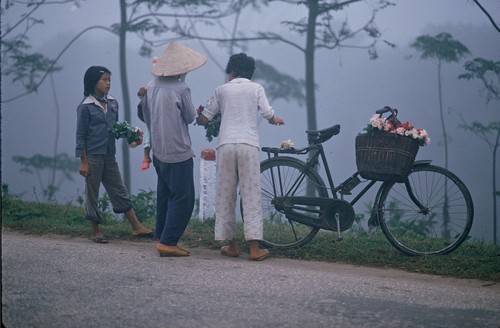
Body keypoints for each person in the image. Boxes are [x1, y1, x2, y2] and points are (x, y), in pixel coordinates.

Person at [197, 53, 285, 261]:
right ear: (251, 72)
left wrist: (198, 113)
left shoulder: (221, 90)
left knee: (225, 193)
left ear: (230, 72)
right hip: (248, 144)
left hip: (226, 144)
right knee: (251, 193)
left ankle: (232, 245)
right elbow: (268, 113)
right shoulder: (256, 89)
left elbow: (204, 119)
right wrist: (275, 120)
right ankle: (255, 248)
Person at [138, 41, 207, 257]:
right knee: (183, 198)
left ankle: (162, 233)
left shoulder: (151, 86)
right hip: (178, 150)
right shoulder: (181, 88)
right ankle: (168, 242)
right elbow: (189, 116)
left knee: (165, 193)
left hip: (159, 151)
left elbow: (142, 114)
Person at [75, 65, 153, 244]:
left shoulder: (113, 103)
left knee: (119, 188)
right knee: (92, 192)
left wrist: (130, 135)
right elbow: (81, 136)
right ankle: (96, 230)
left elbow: (115, 129)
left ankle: (136, 226)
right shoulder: (85, 107)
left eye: (109, 79)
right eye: (104, 80)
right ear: (93, 82)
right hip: (92, 156)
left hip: (109, 154)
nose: (108, 83)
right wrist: (83, 161)